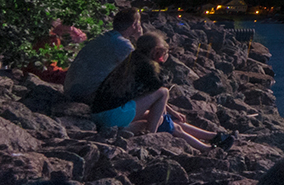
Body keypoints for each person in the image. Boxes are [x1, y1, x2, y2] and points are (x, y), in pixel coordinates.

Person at [91, 31, 231, 148]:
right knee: (164, 93)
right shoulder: (146, 66)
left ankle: (210, 140)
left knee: (158, 117)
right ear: (156, 52)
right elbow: (160, 92)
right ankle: (150, 137)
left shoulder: (132, 60)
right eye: (164, 53)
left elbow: (151, 96)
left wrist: (171, 111)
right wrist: (170, 111)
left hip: (101, 114)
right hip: (112, 115)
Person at [62, 6, 140, 107]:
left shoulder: (104, 37)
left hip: (70, 89)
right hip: (85, 95)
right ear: (134, 25)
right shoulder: (123, 45)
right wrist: (139, 38)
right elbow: (142, 67)